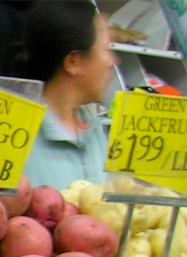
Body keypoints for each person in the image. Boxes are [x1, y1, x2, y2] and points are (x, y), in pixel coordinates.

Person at [15, 1, 119, 190]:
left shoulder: (94, 131)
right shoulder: (17, 136)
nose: (112, 62)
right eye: (105, 49)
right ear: (73, 62)